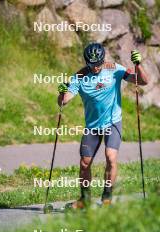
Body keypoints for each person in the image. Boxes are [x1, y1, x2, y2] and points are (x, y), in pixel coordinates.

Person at [58, 42, 148, 208]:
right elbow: (63, 102)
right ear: (87, 62)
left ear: (103, 59)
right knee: (84, 163)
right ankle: (84, 199)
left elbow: (142, 81)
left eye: (99, 64)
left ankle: (106, 197)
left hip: (112, 122)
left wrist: (138, 65)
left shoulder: (115, 69)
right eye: (92, 65)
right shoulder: (79, 77)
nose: (96, 68)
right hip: (92, 126)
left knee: (110, 157)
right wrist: (62, 91)